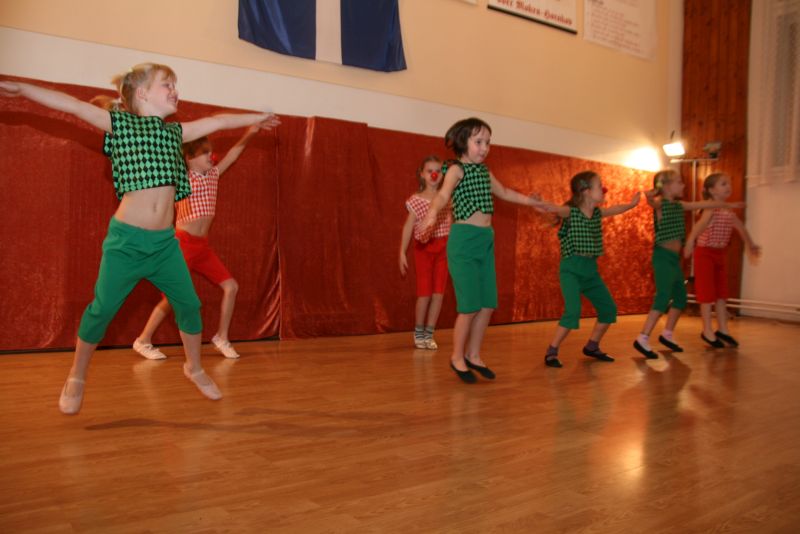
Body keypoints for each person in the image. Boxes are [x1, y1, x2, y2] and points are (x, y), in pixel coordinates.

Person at [0, 63, 279, 414]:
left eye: (176, 84)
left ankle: (194, 367)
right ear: (143, 93)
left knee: (189, 305)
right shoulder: (121, 125)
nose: (175, 90)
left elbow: (218, 122)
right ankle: (77, 375)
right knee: (102, 310)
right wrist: (22, 89)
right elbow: (70, 105)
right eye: (167, 84)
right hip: (127, 242)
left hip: (165, 244)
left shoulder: (176, 133)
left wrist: (258, 117)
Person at [421, 117, 547, 383]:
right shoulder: (456, 170)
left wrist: (530, 202)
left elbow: (505, 192)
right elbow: (442, 195)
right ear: (462, 141)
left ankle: (473, 354)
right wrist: (432, 213)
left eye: (488, 142)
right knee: (469, 306)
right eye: (478, 141)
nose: (484, 147)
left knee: (487, 304)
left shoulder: (484, 172)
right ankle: (457, 357)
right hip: (464, 241)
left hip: (485, 241)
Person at [133, 126, 265, 360]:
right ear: (189, 158)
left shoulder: (213, 175)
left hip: (202, 247)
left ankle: (222, 337)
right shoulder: (182, 179)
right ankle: (143, 340)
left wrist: (251, 131)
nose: (210, 156)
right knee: (172, 297)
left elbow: (234, 153)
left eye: (210, 152)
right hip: (182, 245)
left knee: (231, 287)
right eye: (205, 153)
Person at [633, 169, 742, 359]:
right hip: (662, 257)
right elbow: (652, 202)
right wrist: (651, 195)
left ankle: (667, 334)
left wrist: (728, 204)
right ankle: (642, 338)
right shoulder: (661, 204)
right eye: (679, 182)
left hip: (674, 259)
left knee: (680, 298)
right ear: (667, 187)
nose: (683, 185)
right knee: (663, 296)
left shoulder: (680, 205)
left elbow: (704, 203)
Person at [539, 171, 641, 367]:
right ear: (586, 191)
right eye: (599, 186)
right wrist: (538, 203)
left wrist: (630, 204)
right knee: (573, 311)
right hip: (571, 269)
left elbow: (615, 209)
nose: (604, 189)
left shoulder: (596, 213)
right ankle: (552, 351)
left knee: (608, 309)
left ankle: (592, 346)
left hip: (590, 271)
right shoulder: (571, 212)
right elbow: (554, 209)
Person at [684, 172, 760, 347]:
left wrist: (751, 244)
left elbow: (740, 228)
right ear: (712, 190)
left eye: (729, 183)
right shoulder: (710, 207)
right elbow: (700, 225)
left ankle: (723, 330)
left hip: (719, 254)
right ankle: (707, 330)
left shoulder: (728, 210)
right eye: (723, 184)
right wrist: (690, 240)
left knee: (721, 294)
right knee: (706, 294)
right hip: (705, 254)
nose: (728, 187)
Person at [399, 155, 451, 350]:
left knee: (438, 294)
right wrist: (402, 252)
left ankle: (429, 333)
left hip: (443, 249)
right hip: (424, 249)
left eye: (437, 171)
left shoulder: (447, 198)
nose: (434, 174)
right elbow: (408, 227)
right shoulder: (416, 200)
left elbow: (453, 223)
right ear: (422, 174)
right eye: (430, 171)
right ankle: (419, 331)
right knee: (425, 294)